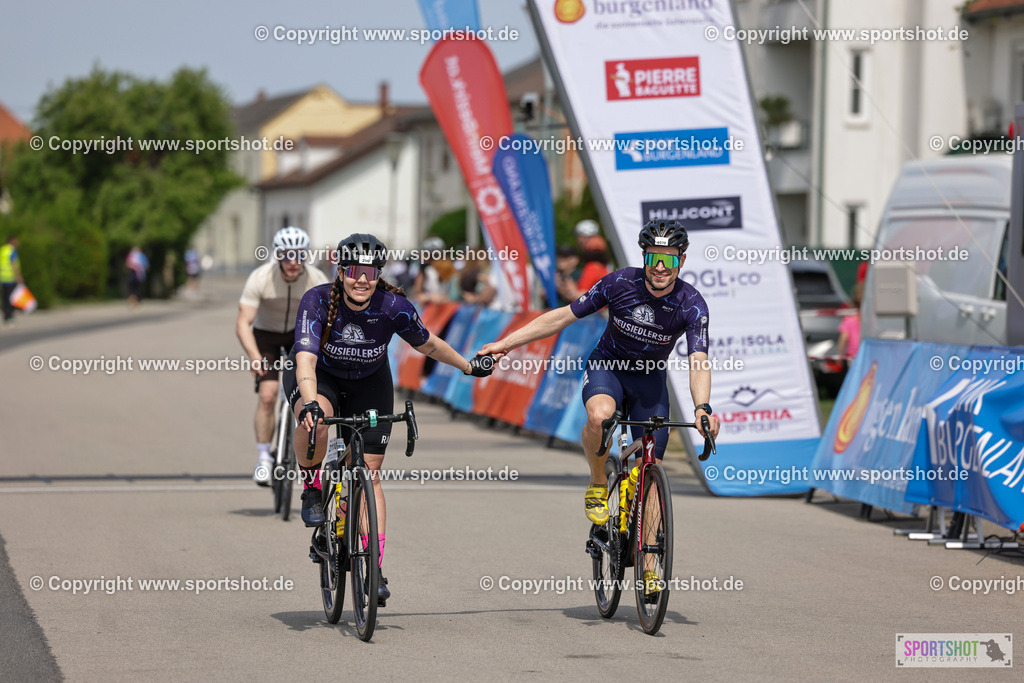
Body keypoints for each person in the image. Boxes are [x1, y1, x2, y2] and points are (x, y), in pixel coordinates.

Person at [481, 219, 721, 594]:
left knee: (649, 470)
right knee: (600, 416)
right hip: (608, 367)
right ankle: (597, 480)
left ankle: (648, 566)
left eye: (669, 259)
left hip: (649, 380)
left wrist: (703, 407)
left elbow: (699, 361)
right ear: (644, 257)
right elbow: (561, 316)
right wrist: (506, 344)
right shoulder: (619, 283)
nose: (660, 266)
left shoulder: (691, 304)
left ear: (681, 260)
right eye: (654, 257)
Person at [284, 233, 492, 604]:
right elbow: (305, 359)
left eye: (370, 271)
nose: (362, 279)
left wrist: (467, 366)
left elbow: (427, 343)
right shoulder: (316, 300)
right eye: (353, 271)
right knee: (314, 420)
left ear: (379, 273)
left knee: (370, 471)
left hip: (369, 381)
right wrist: (310, 402)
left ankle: (374, 568)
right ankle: (313, 485)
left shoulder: (393, 306)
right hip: (321, 377)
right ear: (340, 272)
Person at [236, 227, 329, 487]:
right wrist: (255, 357)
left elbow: (330, 320)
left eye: (299, 255)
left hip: (300, 335)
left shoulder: (316, 278)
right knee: (267, 395)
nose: (293, 262)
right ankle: (264, 458)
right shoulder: (260, 277)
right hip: (266, 335)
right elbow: (243, 323)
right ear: (277, 255)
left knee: (305, 392)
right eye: (287, 255)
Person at [837, 281, 863, 360]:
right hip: (866, 354)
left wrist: (839, 356)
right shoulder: (869, 319)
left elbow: (843, 338)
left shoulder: (849, 319)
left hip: (852, 356)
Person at [1, 236, 23, 324]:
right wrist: (19, 277)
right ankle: (10, 316)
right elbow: (13, 264)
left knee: (4, 298)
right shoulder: (12, 251)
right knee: (12, 298)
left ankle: (6, 316)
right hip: (11, 278)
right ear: (12, 241)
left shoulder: (2, 250)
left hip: (2, 279)